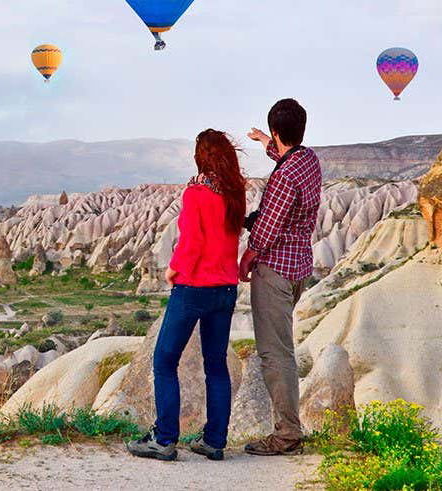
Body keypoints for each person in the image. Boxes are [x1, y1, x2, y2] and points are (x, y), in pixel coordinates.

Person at [127, 129, 247, 461]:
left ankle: (164, 439)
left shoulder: (196, 193)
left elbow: (191, 241)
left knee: (164, 360)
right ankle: (214, 441)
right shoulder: (235, 193)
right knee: (216, 365)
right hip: (225, 288)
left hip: (193, 287)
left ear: (200, 157)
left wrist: (173, 269)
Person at [240, 99, 321, 456]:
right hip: (299, 267)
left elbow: (268, 227)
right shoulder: (308, 161)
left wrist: (247, 254)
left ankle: (287, 434)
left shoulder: (284, 177)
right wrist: (264, 142)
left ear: (277, 131)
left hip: (274, 271)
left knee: (276, 354)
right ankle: (289, 428)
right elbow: (286, 157)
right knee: (282, 349)